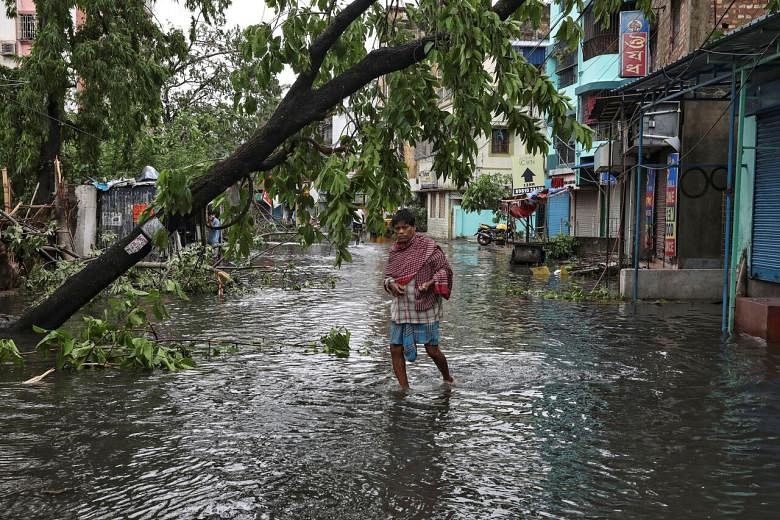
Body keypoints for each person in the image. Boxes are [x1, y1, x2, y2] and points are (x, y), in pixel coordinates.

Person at [384, 208, 454, 389]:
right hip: (401, 305)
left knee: (432, 349)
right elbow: (387, 277)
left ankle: (447, 378)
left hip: (425, 305)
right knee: (395, 348)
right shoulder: (394, 252)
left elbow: (444, 270)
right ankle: (404, 389)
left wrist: (431, 283)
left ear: (413, 228)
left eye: (404, 227)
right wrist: (392, 284)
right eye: (397, 229)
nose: (400, 232)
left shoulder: (428, 247)